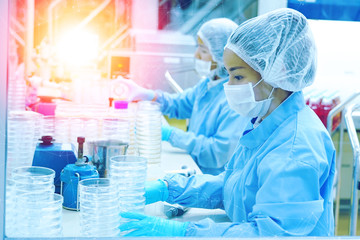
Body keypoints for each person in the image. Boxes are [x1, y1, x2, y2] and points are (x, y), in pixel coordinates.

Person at [119, 8, 336, 237]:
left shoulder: (295, 148)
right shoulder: (266, 121)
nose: (229, 86)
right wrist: (169, 189)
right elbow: (235, 187)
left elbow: (269, 234)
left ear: (278, 72)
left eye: (238, 76)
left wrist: (185, 232)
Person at [118, 18, 249, 175]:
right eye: (197, 48)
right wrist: (147, 95)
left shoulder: (234, 98)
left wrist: (172, 135)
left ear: (223, 55)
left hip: (213, 179)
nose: (196, 55)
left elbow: (217, 152)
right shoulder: (209, 84)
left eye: (203, 50)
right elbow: (179, 104)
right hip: (195, 167)